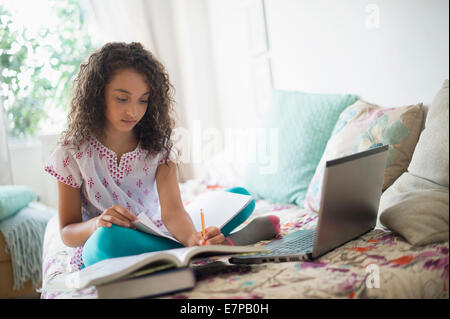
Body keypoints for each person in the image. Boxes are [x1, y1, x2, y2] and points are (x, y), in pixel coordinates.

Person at [44, 42, 280, 269]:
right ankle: (228, 244)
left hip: (157, 230)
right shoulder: (71, 153)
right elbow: (67, 232)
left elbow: (173, 212)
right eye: (122, 98)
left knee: (240, 197)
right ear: (97, 95)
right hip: (105, 241)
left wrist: (192, 238)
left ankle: (196, 248)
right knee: (106, 241)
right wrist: (97, 223)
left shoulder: (158, 145)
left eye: (143, 100)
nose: (133, 111)